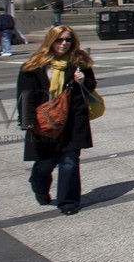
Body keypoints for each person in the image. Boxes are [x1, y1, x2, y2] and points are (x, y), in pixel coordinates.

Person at [17, 25, 97, 216]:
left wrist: (82, 80)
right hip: (44, 122)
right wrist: (27, 120)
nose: (64, 44)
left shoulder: (79, 61)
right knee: (45, 165)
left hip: (72, 121)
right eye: (59, 40)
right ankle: (39, 186)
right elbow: (25, 94)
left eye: (68, 40)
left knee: (70, 162)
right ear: (50, 41)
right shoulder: (35, 64)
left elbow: (91, 85)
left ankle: (68, 202)